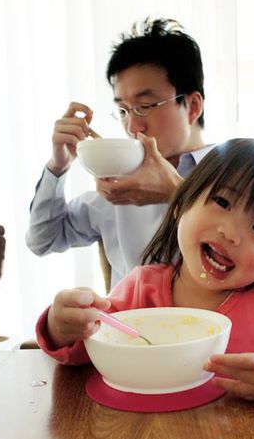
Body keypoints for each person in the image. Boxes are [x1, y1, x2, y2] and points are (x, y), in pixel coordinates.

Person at [35, 138, 254, 401]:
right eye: (223, 202)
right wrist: (62, 325)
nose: (231, 234)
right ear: (180, 206)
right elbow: (87, 346)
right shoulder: (141, 288)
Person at [26, 18, 213, 287]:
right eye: (123, 110)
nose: (132, 125)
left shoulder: (239, 171)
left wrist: (176, 193)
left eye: (145, 106)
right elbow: (42, 239)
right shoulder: (120, 183)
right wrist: (58, 166)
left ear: (193, 106)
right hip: (125, 327)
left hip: (213, 328)